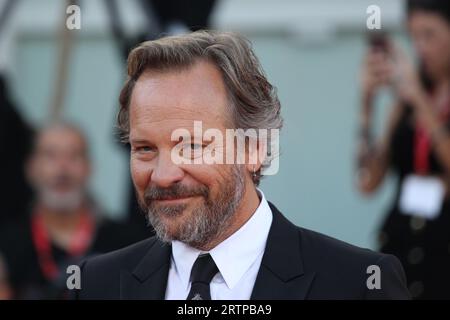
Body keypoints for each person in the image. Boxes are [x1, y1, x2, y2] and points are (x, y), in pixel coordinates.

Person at [76, 30, 410, 300]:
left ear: (254, 148)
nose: (163, 176)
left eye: (192, 146)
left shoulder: (357, 285)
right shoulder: (95, 286)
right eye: (145, 149)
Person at [357, 0, 450, 299]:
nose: (420, 47)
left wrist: (421, 102)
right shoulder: (407, 98)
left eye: (430, 35)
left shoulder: (415, 94)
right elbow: (367, 182)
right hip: (402, 245)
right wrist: (367, 103)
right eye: (414, 36)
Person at [0, 122, 149, 299]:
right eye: (50, 156)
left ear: (90, 168)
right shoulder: (7, 244)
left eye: (74, 156)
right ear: (30, 168)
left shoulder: (128, 244)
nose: (63, 168)